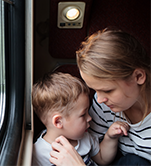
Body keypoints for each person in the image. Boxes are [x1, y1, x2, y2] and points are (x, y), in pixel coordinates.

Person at [50, 28, 151, 166]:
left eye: (108, 90)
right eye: (95, 90)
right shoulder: (104, 105)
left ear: (138, 76)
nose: (99, 99)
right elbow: (93, 147)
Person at [32, 72, 129, 166]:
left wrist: (110, 138)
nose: (89, 118)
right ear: (58, 122)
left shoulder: (84, 137)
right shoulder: (39, 153)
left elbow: (102, 159)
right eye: (83, 115)